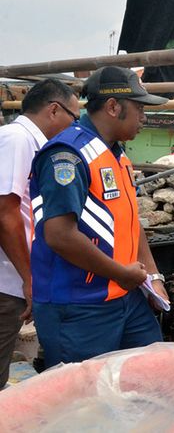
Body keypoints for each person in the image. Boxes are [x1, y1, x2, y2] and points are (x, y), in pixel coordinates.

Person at [29, 66, 170, 368]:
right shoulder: (68, 154)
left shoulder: (118, 155)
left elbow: (131, 224)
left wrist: (153, 277)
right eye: (140, 108)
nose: (144, 117)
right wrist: (122, 274)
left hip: (123, 296)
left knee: (150, 376)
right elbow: (59, 235)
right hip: (79, 306)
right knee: (84, 404)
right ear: (113, 106)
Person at [0, 79, 79, 387]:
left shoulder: (35, 145)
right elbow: (6, 214)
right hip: (7, 281)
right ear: (53, 110)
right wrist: (28, 278)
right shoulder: (17, 139)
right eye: (74, 117)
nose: (75, 126)